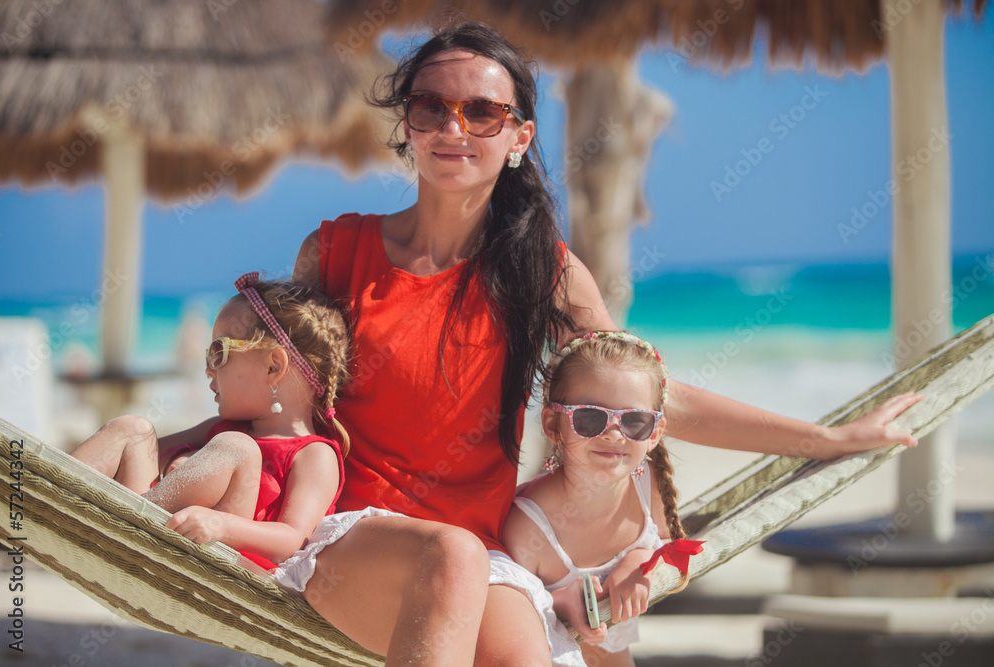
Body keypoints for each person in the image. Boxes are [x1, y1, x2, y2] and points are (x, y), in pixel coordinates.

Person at [283, 21, 922, 666]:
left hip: (484, 557)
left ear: (518, 137)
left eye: (481, 112)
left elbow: (647, 396)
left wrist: (826, 439)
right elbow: (267, 394)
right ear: (408, 124)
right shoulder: (336, 253)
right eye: (431, 108)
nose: (454, 128)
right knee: (452, 556)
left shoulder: (542, 272)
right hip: (346, 545)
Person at [71, 273, 349, 569]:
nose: (207, 369)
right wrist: (183, 467)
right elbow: (142, 460)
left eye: (219, 353)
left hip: (215, 567)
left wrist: (221, 525)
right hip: (154, 530)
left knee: (237, 447)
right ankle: (49, 493)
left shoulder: (315, 455)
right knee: (134, 430)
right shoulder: (219, 429)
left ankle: (129, 525)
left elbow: (292, 539)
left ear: (273, 366)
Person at [504, 331, 688, 667]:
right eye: (590, 418)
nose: (614, 434)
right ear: (552, 424)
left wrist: (641, 560)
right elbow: (506, 616)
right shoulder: (528, 527)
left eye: (635, 421)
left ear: (655, 434)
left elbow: (670, 543)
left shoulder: (648, 486)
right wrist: (560, 602)